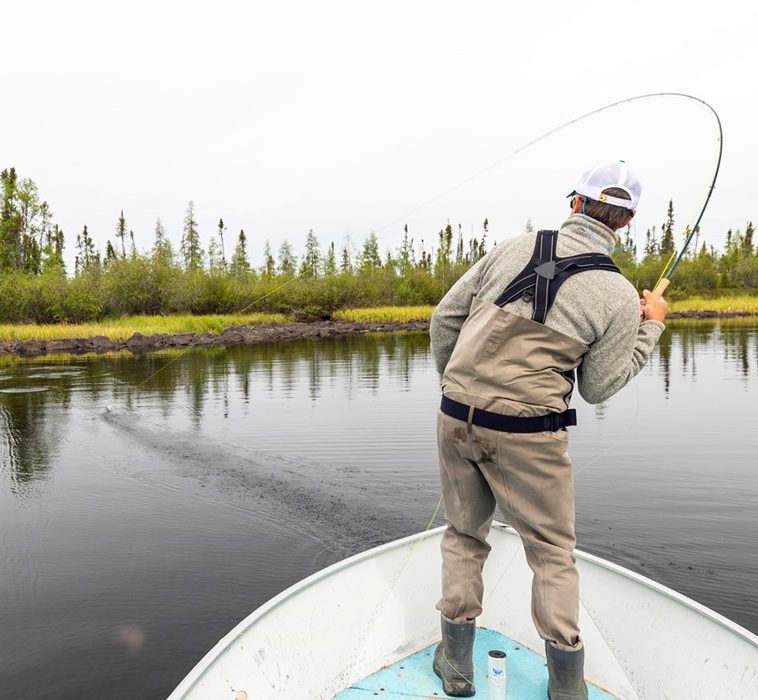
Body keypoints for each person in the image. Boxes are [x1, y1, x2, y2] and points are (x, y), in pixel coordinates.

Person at [429, 161, 668, 699]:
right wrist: (649, 325)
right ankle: (566, 687)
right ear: (625, 223)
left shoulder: (512, 247)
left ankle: (459, 669)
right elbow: (599, 387)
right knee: (552, 553)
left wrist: (457, 387)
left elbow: (445, 317)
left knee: (464, 536)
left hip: (454, 415)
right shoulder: (616, 294)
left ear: (576, 204)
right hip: (531, 434)